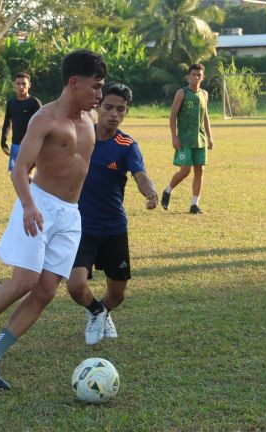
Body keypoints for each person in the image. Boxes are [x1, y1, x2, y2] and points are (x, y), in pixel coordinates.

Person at [0, 50, 107, 390]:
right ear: (74, 83)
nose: (99, 95)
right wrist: (30, 206)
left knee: (46, 291)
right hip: (39, 205)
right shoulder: (44, 119)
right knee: (24, 282)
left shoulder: (90, 122)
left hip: (70, 214)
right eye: (95, 87)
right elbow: (19, 169)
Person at [66, 82, 158, 347]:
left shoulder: (127, 145)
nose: (114, 114)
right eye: (108, 107)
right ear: (98, 106)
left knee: (117, 294)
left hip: (113, 228)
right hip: (81, 227)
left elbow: (140, 175)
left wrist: (150, 192)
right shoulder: (81, 136)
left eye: (121, 109)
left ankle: (102, 312)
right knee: (75, 286)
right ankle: (96, 312)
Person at [161, 63, 214, 214]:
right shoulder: (182, 93)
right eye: (193, 74)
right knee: (185, 171)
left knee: (200, 170)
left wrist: (210, 137)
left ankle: (194, 205)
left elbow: (205, 117)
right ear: (189, 76)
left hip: (200, 139)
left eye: (199, 75)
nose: (196, 77)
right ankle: (168, 190)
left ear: (203, 77)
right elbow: (172, 116)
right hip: (185, 139)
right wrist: (174, 137)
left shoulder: (204, 94)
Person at [0, 72, 41, 172]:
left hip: (31, 145)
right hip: (16, 145)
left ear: (29, 85)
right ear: (14, 85)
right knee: (15, 175)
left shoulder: (35, 103)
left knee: (27, 174)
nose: (21, 86)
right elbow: (7, 123)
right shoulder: (11, 103)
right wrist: (3, 143)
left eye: (24, 84)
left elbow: (42, 125)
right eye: (18, 84)